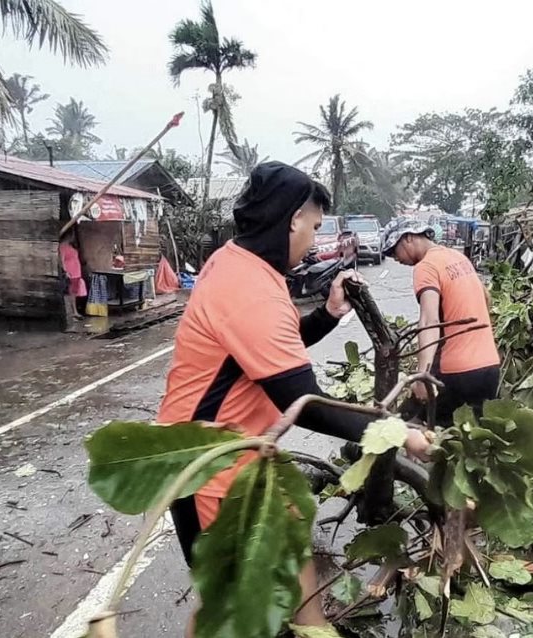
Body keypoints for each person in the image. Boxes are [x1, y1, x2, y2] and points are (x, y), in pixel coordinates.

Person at [156, 162, 429, 636]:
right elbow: (303, 400)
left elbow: (267, 355)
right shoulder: (248, 289)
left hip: (246, 457)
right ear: (292, 218)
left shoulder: (241, 263)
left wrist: (326, 314)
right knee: (225, 602)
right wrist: (398, 433)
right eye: (316, 227)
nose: (315, 240)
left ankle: (315, 627)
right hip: (207, 465)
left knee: (293, 543)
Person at [381, 218, 501, 424]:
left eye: (394, 251)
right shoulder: (458, 257)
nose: (395, 259)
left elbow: (429, 320)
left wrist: (422, 376)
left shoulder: (426, 267)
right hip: (490, 367)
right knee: (474, 438)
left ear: (408, 238)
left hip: (456, 373)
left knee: (412, 428)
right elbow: (486, 298)